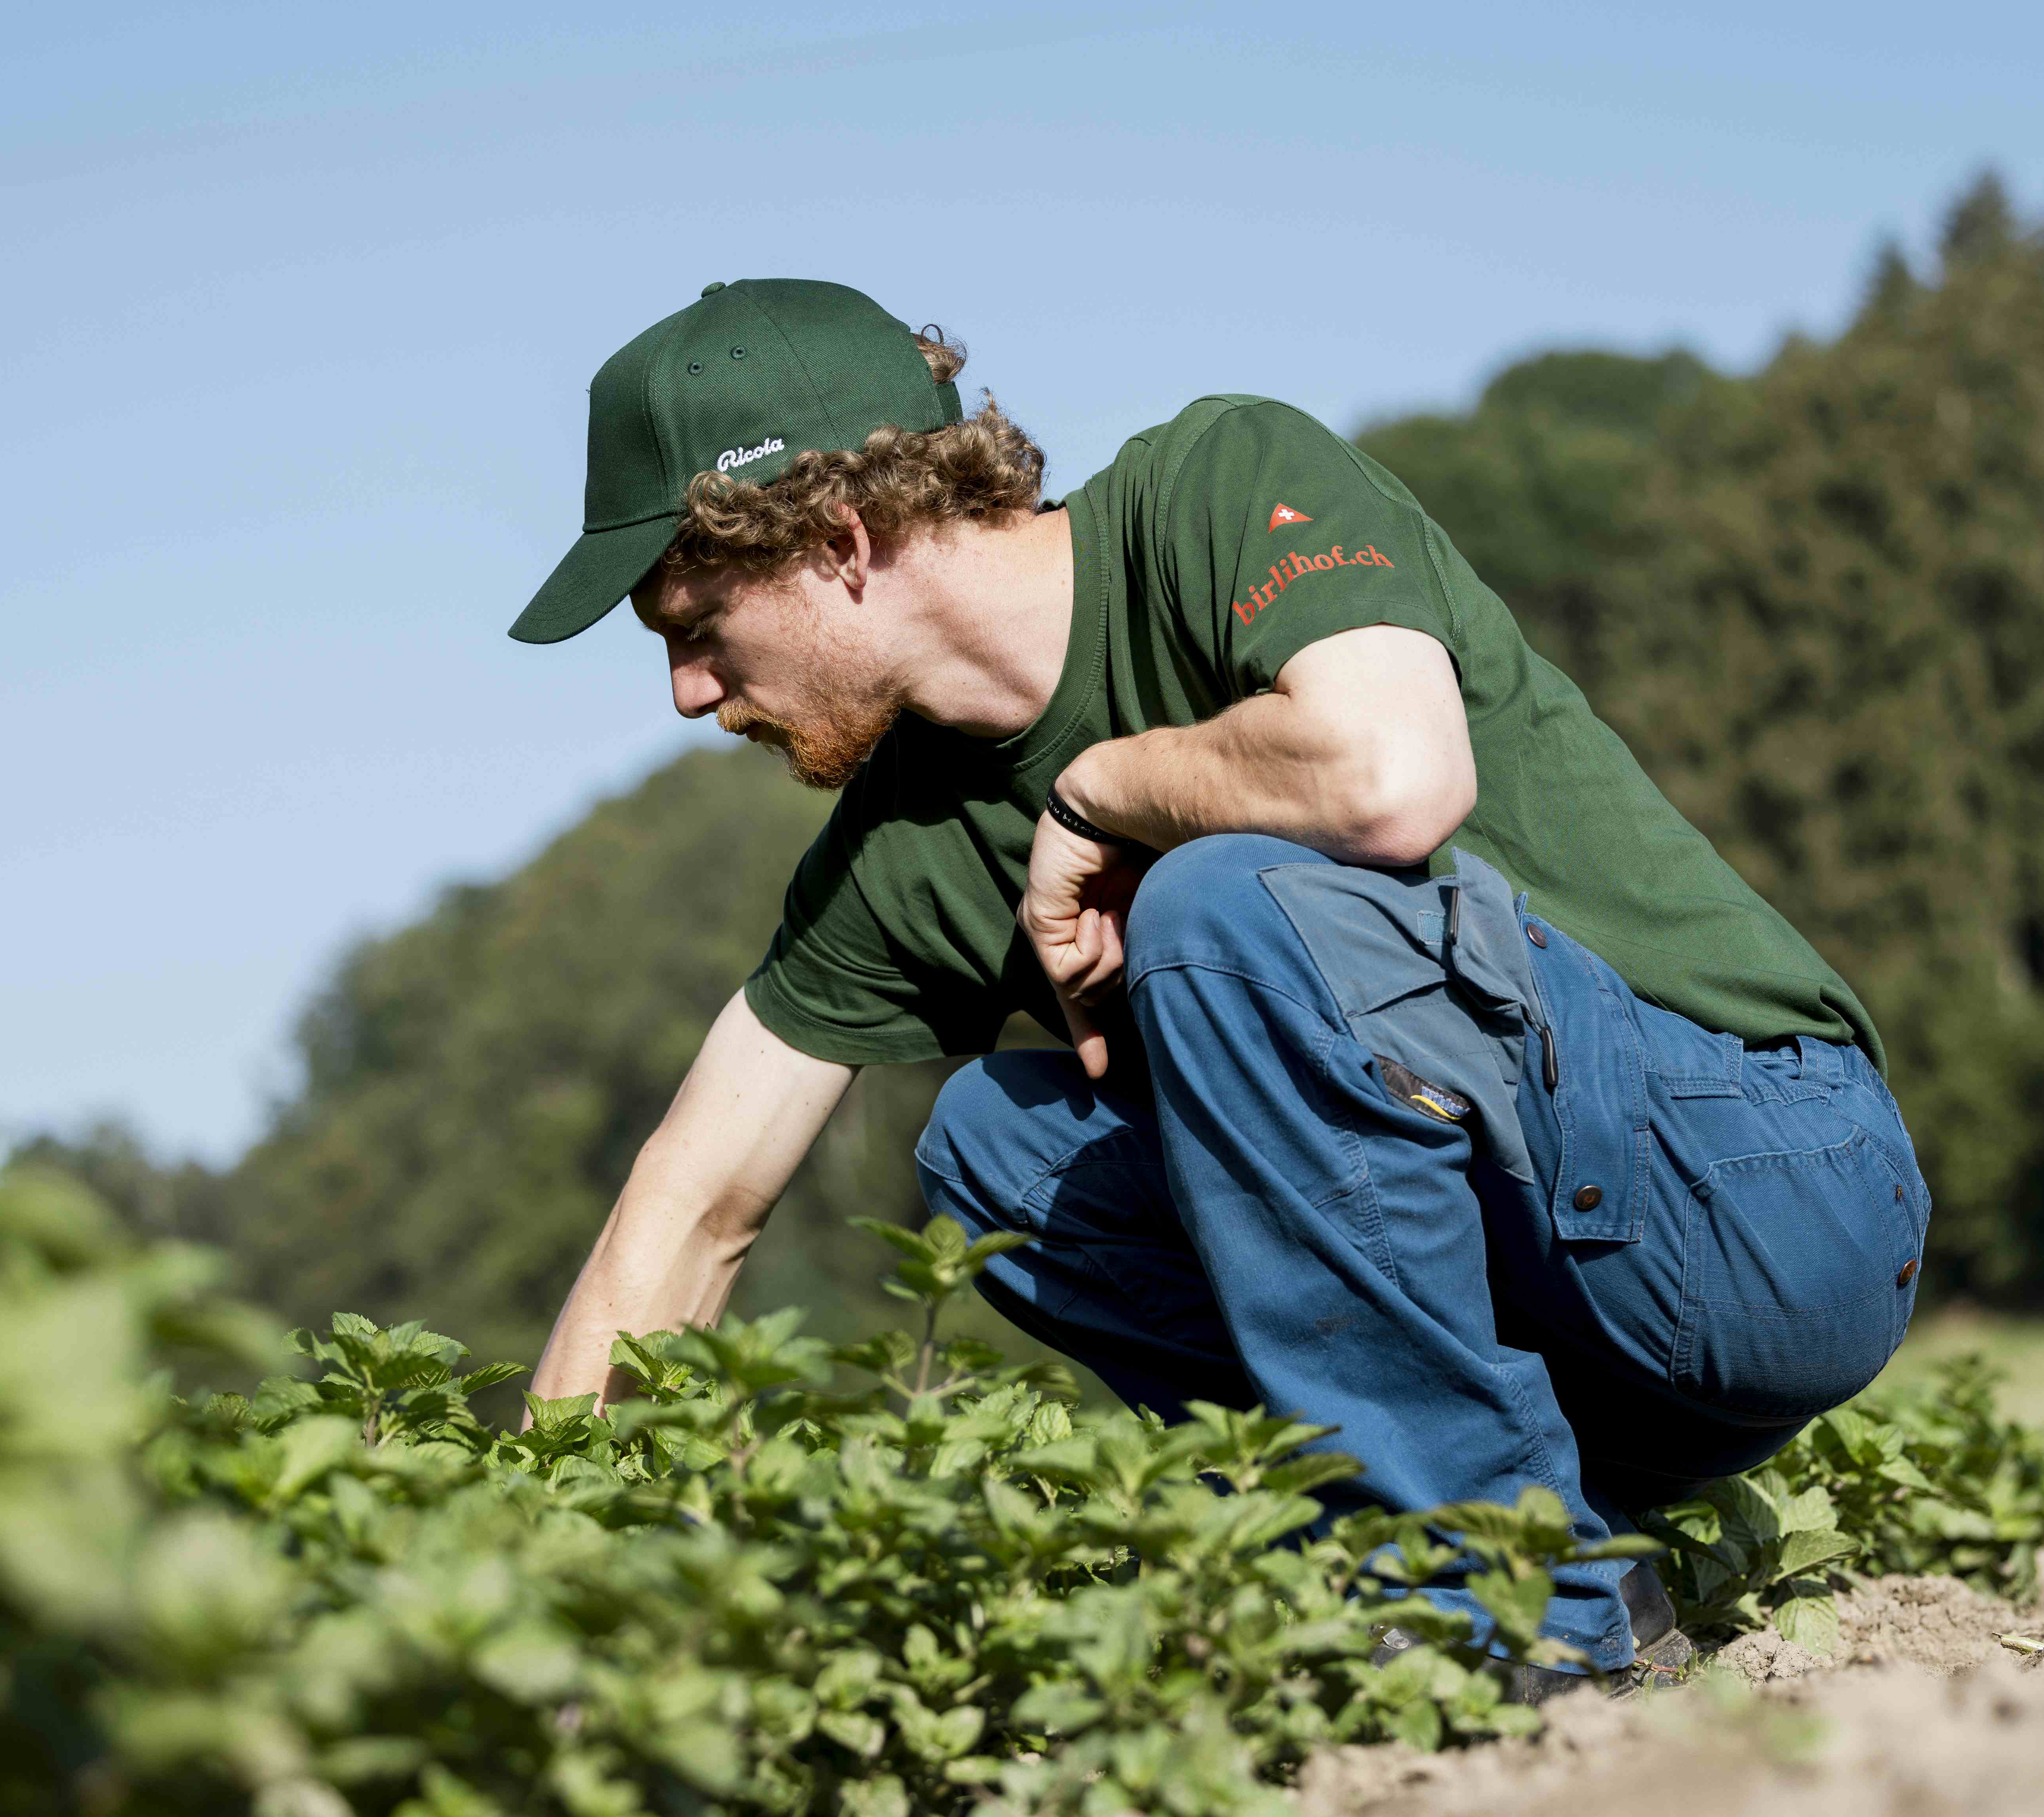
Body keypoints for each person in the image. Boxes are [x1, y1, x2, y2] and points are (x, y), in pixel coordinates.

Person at [511, 278, 1928, 1689]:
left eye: (693, 621)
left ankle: (1499, 1613)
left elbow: (1391, 778)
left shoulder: (1222, 483)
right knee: (992, 1149)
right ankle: (1538, 1547)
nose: (691, 693)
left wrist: (1107, 789)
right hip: (1591, 1373)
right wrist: (522, 1588)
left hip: (1769, 1195)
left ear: (839, 539)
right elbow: (691, 1208)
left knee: (1210, 904)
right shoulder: (903, 844)